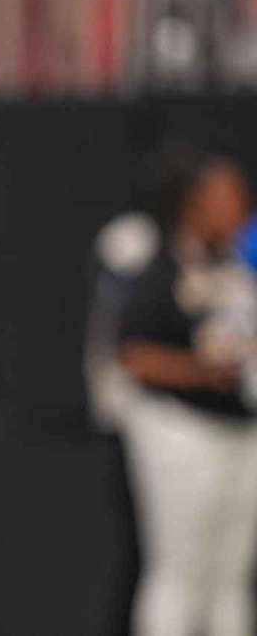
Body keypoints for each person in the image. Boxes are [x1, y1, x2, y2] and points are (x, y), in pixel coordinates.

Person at [116, 145, 257, 636]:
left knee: (229, 580)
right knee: (178, 573)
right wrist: (205, 373)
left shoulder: (241, 270)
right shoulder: (160, 271)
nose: (239, 207)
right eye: (225, 197)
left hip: (242, 432)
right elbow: (133, 354)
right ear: (193, 203)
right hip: (182, 432)